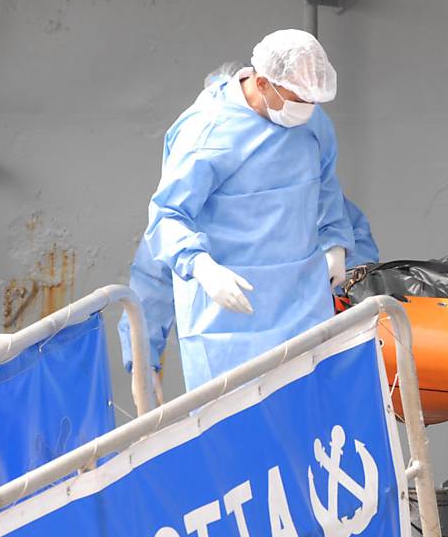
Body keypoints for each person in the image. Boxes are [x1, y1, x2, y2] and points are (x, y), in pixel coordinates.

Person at [143, 30, 354, 391]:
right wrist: (202, 267)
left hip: (303, 305)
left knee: (308, 422)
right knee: (236, 430)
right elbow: (167, 215)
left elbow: (324, 187)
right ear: (261, 82)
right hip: (229, 321)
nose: (306, 108)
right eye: (296, 98)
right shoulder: (207, 132)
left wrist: (334, 241)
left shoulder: (310, 120)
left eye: (312, 100)